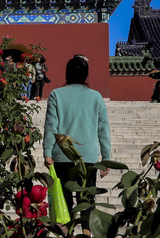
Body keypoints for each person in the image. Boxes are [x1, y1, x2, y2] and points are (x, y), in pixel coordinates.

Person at [42, 54, 111, 214]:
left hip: (62, 156)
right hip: (88, 158)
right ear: (86, 75)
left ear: (67, 74)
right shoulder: (96, 97)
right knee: (87, 201)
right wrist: (106, 159)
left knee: (63, 204)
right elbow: (103, 129)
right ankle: (86, 233)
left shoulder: (56, 95)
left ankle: (67, 235)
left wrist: (47, 152)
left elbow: (51, 125)